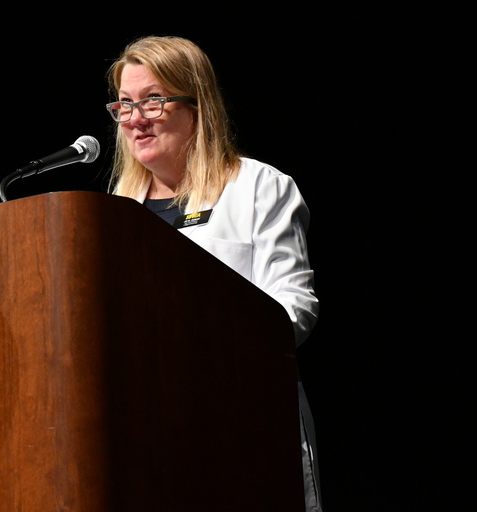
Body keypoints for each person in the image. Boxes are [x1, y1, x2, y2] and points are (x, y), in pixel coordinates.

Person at [105, 35, 322, 511]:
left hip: (240, 422)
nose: (135, 119)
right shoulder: (112, 217)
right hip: (144, 437)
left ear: (196, 105)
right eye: (124, 105)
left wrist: (207, 341)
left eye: (153, 101)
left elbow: (294, 307)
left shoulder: (259, 188)